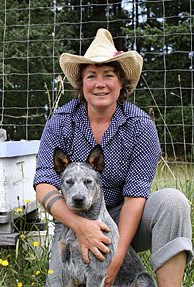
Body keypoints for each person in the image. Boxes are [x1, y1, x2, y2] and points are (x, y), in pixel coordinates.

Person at [33, 28, 193, 287]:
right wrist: (81, 226)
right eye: (91, 76)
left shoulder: (140, 126)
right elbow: (43, 183)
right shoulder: (61, 121)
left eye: (108, 75)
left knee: (173, 202)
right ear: (81, 83)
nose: (100, 84)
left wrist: (116, 258)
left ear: (121, 83)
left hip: (124, 218)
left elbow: (136, 196)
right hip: (72, 216)